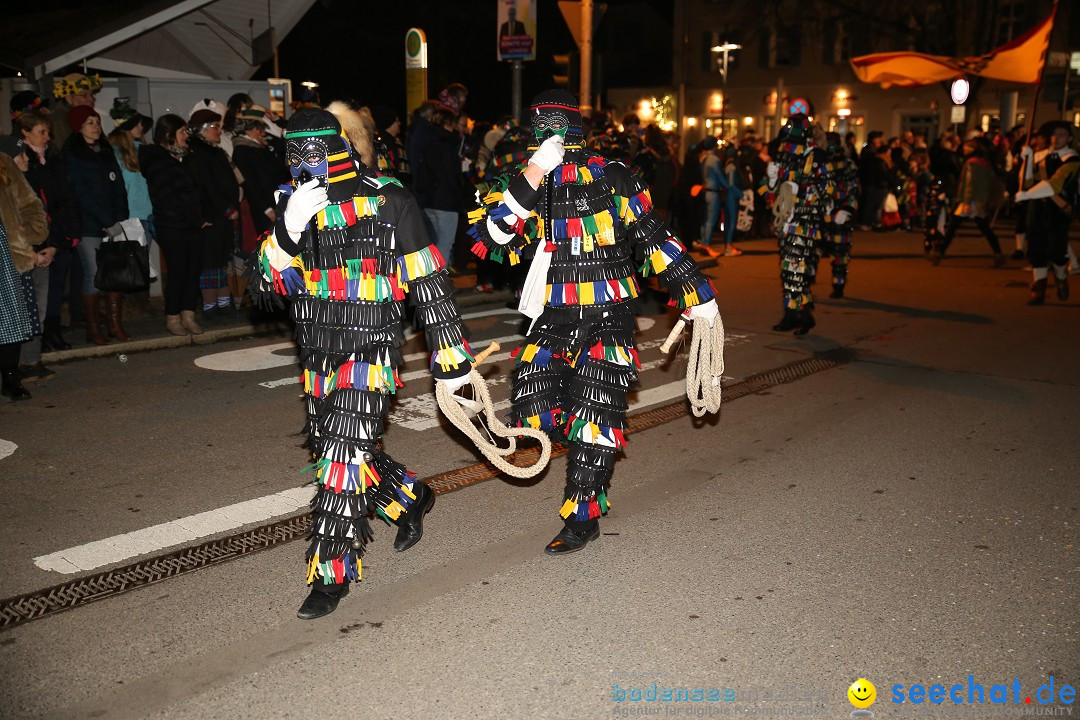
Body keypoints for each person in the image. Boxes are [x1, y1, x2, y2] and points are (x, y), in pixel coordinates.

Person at [466, 90, 719, 554]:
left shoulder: (612, 175)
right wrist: (535, 173)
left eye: (551, 124)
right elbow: (492, 234)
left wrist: (698, 296)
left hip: (609, 314)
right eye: (539, 125)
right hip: (553, 314)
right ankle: (592, 445)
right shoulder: (522, 179)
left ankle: (582, 514)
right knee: (532, 407)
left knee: (595, 416)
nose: (545, 131)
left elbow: (652, 237)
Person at [250, 107, 473, 619]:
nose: (301, 164)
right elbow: (264, 286)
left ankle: (331, 574)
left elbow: (428, 282)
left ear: (334, 146)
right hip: (316, 354)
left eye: (310, 153)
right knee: (344, 448)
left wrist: (452, 356)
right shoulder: (292, 203)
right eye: (292, 154)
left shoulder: (390, 197)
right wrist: (287, 231)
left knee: (342, 457)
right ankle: (410, 497)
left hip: (371, 351)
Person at [61, 105, 129, 346]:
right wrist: (107, 221)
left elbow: (118, 186)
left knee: (114, 275)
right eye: (90, 123)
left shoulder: (106, 152)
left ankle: (115, 325)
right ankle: (93, 329)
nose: (96, 127)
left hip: (114, 223)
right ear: (79, 128)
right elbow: (81, 194)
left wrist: (121, 218)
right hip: (89, 225)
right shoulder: (73, 154)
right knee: (94, 274)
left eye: (97, 122)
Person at [763, 115, 833, 335]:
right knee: (789, 270)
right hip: (787, 220)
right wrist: (772, 181)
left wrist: (800, 191)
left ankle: (799, 314)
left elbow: (828, 188)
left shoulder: (817, 156)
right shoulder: (784, 156)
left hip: (805, 220)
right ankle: (797, 312)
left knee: (795, 268)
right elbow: (768, 192)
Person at [140, 114, 204, 335]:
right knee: (178, 271)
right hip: (172, 225)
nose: (187, 135)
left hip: (192, 225)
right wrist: (187, 214)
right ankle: (172, 317)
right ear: (168, 135)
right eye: (182, 131)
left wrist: (199, 216)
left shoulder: (185, 159)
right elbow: (165, 197)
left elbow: (195, 191)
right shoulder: (158, 161)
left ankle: (189, 314)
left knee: (193, 270)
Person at [0, 150, 48, 400]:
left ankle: (9, 377)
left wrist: (27, 233)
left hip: (5, 249)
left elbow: (30, 204)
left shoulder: (4, 161)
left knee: (9, 318)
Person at [1014, 121, 1079, 305]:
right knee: (1036, 248)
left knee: (1056, 250)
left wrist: (1027, 194)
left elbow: (1055, 185)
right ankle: (1039, 288)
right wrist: (1026, 161)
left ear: (1070, 138)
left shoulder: (1072, 160)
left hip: (1059, 209)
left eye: (1062, 135)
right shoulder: (1040, 156)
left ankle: (1060, 277)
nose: (1056, 138)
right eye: (1054, 134)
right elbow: (1026, 182)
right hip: (1038, 208)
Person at [186, 106, 241, 323]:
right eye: (214, 127)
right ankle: (210, 306)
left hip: (222, 216)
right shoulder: (199, 153)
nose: (218, 131)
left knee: (221, 260)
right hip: (212, 215)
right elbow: (207, 186)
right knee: (210, 261)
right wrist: (227, 209)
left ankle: (223, 303)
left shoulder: (215, 151)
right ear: (202, 130)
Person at [929, 138, 1005, 266]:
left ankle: (939, 253)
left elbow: (969, 184)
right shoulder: (985, 163)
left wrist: (967, 202)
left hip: (970, 200)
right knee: (983, 228)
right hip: (980, 199)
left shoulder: (971, 163)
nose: (964, 150)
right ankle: (998, 254)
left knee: (953, 227)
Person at [409, 103, 465, 270]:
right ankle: (440, 286)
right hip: (446, 201)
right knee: (445, 243)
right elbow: (449, 175)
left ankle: (431, 281)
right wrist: (459, 194)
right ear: (448, 122)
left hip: (429, 199)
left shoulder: (429, 140)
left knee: (433, 243)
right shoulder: (446, 143)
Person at [819, 132, 860, 298]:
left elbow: (854, 188)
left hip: (839, 212)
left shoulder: (847, 165)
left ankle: (839, 284)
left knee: (840, 252)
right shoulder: (819, 163)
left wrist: (847, 209)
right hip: (822, 212)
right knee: (811, 251)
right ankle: (804, 287)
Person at [50, 72, 101, 150]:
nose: (91, 99)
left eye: (91, 95)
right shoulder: (59, 119)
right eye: (84, 95)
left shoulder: (89, 116)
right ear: (69, 98)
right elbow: (68, 150)